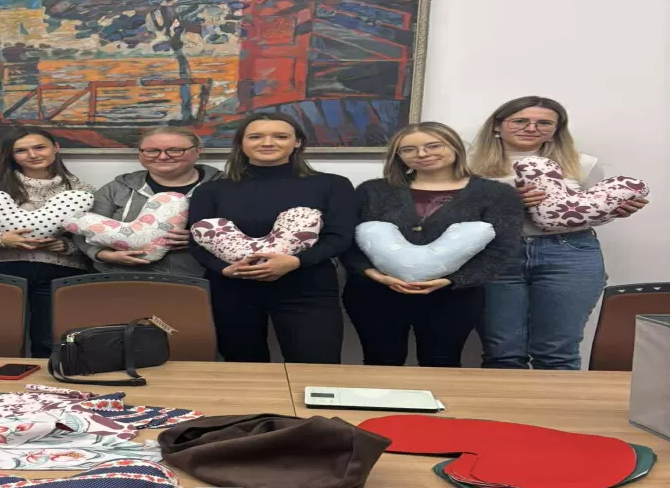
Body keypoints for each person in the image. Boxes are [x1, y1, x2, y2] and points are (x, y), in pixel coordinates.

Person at [469, 96, 647, 370]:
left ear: (557, 129)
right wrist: (507, 202)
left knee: (557, 353)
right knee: (502, 352)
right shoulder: (468, 164)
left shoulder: (582, 163)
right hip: (496, 255)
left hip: (569, 254)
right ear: (497, 126)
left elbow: (588, 209)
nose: (531, 128)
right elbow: (450, 214)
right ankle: (502, 413)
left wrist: (617, 210)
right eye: (520, 121)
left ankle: (553, 413)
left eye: (544, 123)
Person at [341, 122, 523, 367]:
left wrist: (450, 281)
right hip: (375, 294)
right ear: (399, 156)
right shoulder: (372, 190)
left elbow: (502, 249)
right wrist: (376, 276)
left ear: (455, 146)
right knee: (380, 361)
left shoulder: (496, 193)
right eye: (409, 150)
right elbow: (348, 241)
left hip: (453, 297)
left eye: (433, 145)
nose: (423, 154)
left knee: (442, 363)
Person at [188, 113, 356, 363]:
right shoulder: (211, 191)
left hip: (307, 289)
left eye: (280, 136)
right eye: (256, 136)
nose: (267, 143)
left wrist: (295, 262)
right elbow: (197, 241)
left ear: (297, 142)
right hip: (233, 290)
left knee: (316, 368)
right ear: (241, 143)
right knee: (243, 368)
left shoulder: (333, 185)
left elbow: (340, 237)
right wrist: (225, 270)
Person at [0, 128, 94, 357]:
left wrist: (66, 246)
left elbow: (94, 237)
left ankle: (49, 388)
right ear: (10, 155)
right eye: (21, 150)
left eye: (39, 147)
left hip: (59, 272)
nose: (32, 155)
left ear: (56, 147)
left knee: (51, 341)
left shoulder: (81, 190)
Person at [77, 126, 221, 276]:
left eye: (175, 150)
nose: (163, 157)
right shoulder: (117, 188)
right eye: (152, 151)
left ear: (198, 151)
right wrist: (102, 254)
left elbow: (241, 232)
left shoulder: (223, 187)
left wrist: (200, 239)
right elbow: (82, 228)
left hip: (195, 279)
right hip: (119, 276)